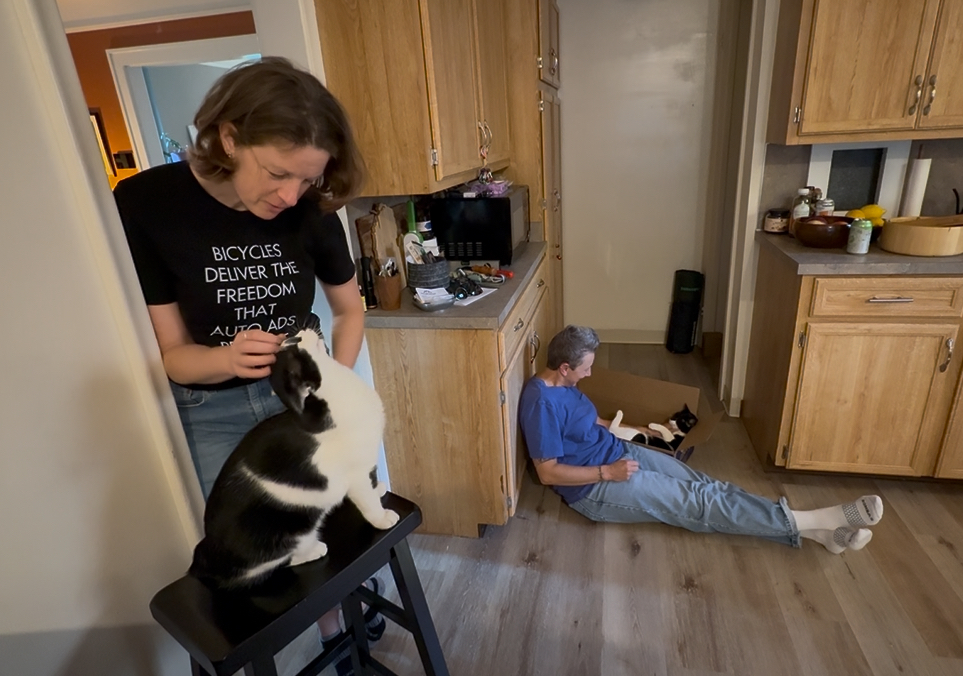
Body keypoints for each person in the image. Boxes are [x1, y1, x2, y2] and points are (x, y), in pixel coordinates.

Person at [114, 57, 377, 674]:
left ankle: (340, 632)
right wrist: (225, 356)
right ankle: (306, 644)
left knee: (340, 531)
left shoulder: (310, 206)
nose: (289, 196)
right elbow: (174, 357)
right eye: (278, 173)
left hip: (304, 399)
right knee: (260, 549)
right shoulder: (148, 203)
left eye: (306, 179)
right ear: (229, 138)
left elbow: (350, 311)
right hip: (215, 409)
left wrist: (334, 389)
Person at [518, 325, 884, 554]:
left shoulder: (565, 384)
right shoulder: (540, 403)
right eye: (586, 368)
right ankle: (823, 518)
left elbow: (589, 420)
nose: (590, 373)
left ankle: (819, 534)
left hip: (618, 452)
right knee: (698, 504)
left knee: (709, 488)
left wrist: (640, 431)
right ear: (564, 367)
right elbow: (548, 473)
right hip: (595, 488)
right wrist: (606, 473)